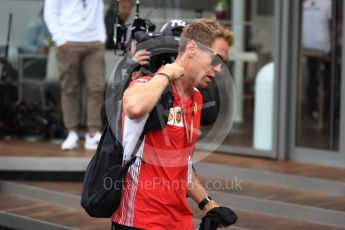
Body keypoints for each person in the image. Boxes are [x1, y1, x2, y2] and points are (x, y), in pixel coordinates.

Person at [112, 18, 234, 229]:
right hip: (140, 220)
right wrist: (168, 72)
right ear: (192, 48)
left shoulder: (196, 99)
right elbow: (133, 107)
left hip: (179, 221)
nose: (219, 69)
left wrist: (208, 204)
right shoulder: (146, 85)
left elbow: (181, 165)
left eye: (223, 63)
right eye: (216, 59)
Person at [44, 0, 106, 150]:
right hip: (68, 40)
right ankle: (71, 133)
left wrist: (101, 37)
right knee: (69, 88)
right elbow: (50, 11)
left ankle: (93, 133)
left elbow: (98, 9)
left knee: (97, 87)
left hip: (94, 43)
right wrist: (59, 38)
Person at [302, 0, 332, 119]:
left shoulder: (305, 5)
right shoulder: (328, 3)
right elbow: (332, 24)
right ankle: (329, 109)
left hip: (308, 45)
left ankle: (312, 107)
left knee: (312, 77)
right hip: (323, 46)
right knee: (328, 79)